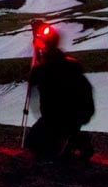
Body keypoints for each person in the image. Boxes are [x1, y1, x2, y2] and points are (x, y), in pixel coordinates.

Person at [25, 25, 95, 161]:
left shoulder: (43, 69)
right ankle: (74, 138)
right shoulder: (71, 65)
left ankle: (76, 140)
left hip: (56, 117)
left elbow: (34, 81)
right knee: (41, 144)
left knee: (37, 147)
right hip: (76, 115)